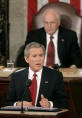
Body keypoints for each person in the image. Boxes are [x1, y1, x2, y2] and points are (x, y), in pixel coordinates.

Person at [5, 42, 68, 109]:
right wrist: (17, 104)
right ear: (27, 59)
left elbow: (63, 103)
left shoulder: (55, 76)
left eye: (41, 55)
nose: (38, 59)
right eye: (34, 56)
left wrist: (50, 104)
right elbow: (8, 103)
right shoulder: (16, 77)